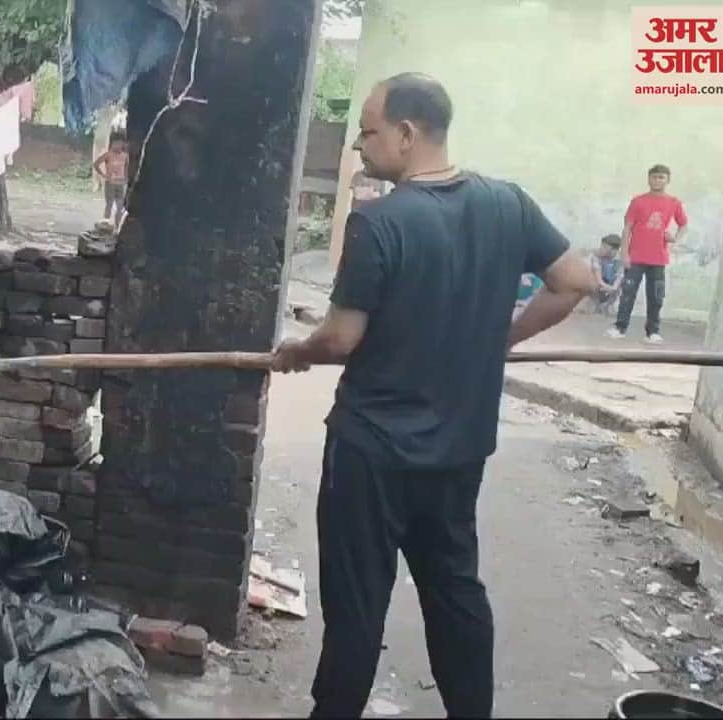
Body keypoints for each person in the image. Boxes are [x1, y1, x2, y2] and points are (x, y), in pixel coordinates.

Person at [271, 73, 596, 719]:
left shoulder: (379, 222)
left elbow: (340, 338)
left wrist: (297, 352)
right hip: (457, 449)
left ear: (406, 133)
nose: (358, 145)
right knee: (454, 592)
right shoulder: (508, 204)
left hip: (371, 454)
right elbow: (575, 280)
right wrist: (500, 338)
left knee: (358, 605)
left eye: (366, 132)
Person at [608, 164, 688, 344]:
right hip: (636, 257)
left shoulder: (674, 202)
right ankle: (620, 328)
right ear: (649, 179)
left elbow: (683, 224)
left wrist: (675, 238)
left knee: (656, 296)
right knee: (628, 293)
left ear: (667, 180)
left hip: (658, 258)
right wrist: (624, 253)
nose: (657, 180)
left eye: (661, 177)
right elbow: (627, 228)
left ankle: (652, 332)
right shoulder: (638, 201)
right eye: (654, 177)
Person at [93, 136, 129, 228]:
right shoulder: (108, 155)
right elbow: (96, 164)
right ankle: (105, 225)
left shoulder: (125, 156)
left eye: (119, 143)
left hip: (120, 184)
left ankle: (118, 226)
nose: (117, 146)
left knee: (120, 206)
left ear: (122, 145)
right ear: (112, 145)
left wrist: (126, 178)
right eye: (115, 144)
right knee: (109, 204)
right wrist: (103, 175)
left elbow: (127, 167)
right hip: (110, 183)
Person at [592, 234, 624, 315]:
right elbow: (598, 278)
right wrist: (608, 287)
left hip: (611, 283)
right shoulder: (596, 255)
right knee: (592, 283)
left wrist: (613, 288)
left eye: (605, 247)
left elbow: (620, 277)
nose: (601, 249)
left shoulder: (620, 258)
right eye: (601, 246)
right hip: (600, 282)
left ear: (614, 250)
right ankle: (596, 305)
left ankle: (608, 305)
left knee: (623, 283)